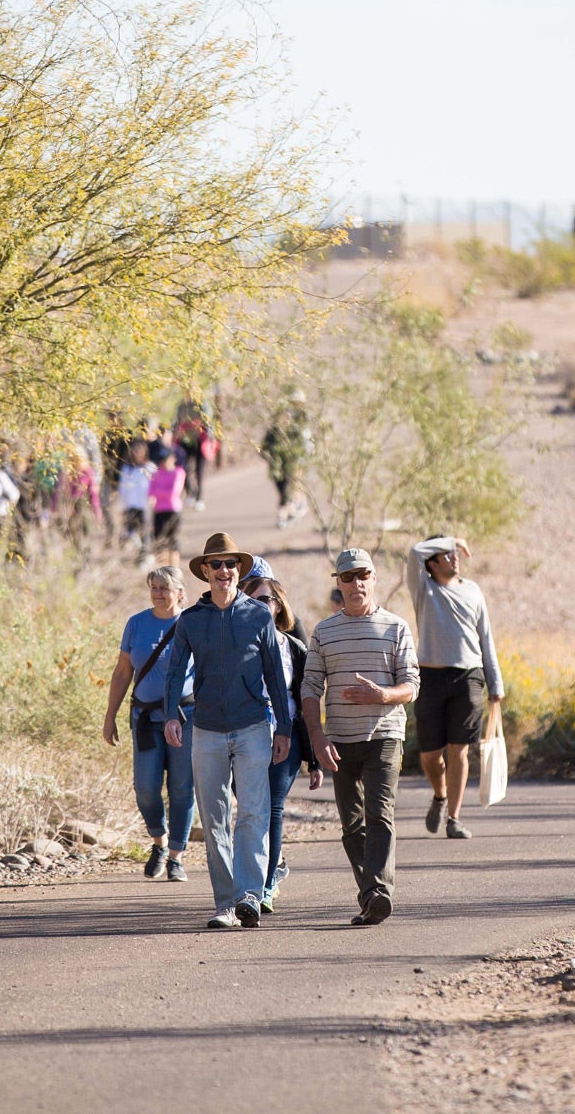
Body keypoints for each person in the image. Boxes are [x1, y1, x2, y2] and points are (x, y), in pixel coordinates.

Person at [162, 533, 291, 929]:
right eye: (215, 565)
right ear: (204, 572)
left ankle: (250, 896)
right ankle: (225, 904)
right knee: (215, 816)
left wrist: (283, 728)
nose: (224, 571)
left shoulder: (258, 615)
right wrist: (171, 714)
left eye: (230, 564)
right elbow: (174, 671)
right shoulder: (191, 620)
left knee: (252, 813)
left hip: (253, 726)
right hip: (207, 730)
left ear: (240, 570)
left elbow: (274, 673)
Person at [302, 548, 420, 926]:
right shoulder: (323, 632)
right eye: (348, 577)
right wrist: (317, 737)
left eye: (363, 575)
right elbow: (309, 688)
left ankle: (378, 892)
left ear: (374, 578)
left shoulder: (396, 627)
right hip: (339, 740)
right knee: (352, 826)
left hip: (385, 735)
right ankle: (370, 895)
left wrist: (382, 695)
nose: (356, 583)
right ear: (338, 583)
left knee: (379, 814)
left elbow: (412, 686)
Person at [403, 534, 504, 839]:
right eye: (446, 554)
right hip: (430, 679)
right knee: (431, 755)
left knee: (459, 750)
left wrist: (495, 683)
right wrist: (453, 539)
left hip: (468, 679)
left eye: (456, 553)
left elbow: (485, 638)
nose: (455, 557)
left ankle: (455, 818)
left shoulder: (473, 591)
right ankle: (440, 796)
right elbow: (413, 552)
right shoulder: (424, 589)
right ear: (431, 563)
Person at [104, 566, 197, 881]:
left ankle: (175, 857)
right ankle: (158, 841)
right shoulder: (136, 624)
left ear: (180, 593)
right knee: (145, 788)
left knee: (182, 788)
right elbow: (121, 673)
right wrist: (110, 716)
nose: (158, 593)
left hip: (186, 717)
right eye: (154, 587)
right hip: (144, 717)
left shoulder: (192, 623)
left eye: (165, 588)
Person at [241, 560, 321, 912]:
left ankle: (265, 884)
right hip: (242, 738)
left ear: (279, 606)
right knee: (249, 809)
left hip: (284, 736)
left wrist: (314, 758)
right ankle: (256, 876)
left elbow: (307, 704)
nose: (262, 606)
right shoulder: (235, 645)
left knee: (272, 808)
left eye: (268, 600)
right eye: (254, 600)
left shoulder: (294, 648)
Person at [260, 396, 312, 530]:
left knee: (286, 493)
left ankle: (283, 517)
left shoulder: (294, 432)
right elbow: (263, 448)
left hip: (290, 467)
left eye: (287, 416)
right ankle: (289, 513)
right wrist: (269, 456)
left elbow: (302, 447)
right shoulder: (273, 432)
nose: (285, 419)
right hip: (275, 469)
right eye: (283, 416)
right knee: (281, 491)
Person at [147, 444, 186, 567]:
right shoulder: (157, 473)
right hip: (159, 511)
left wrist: (159, 491)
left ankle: (175, 568)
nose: (164, 462)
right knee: (159, 541)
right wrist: (163, 491)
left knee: (173, 540)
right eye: (162, 460)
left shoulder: (179, 472)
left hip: (173, 510)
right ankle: (163, 570)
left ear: (173, 458)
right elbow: (150, 492)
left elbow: (174, 492)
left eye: (166, 459)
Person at [116, 439, 153, 558]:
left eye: (139, 451)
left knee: (145, 532)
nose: (137, 453)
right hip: (130, 505)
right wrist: (122, 506)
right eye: (135, 451)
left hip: (145, 505)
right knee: (131, 533)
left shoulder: (150, 468)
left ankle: (145, 554)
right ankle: (137, 554)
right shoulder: (127, 469)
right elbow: (123, 489)